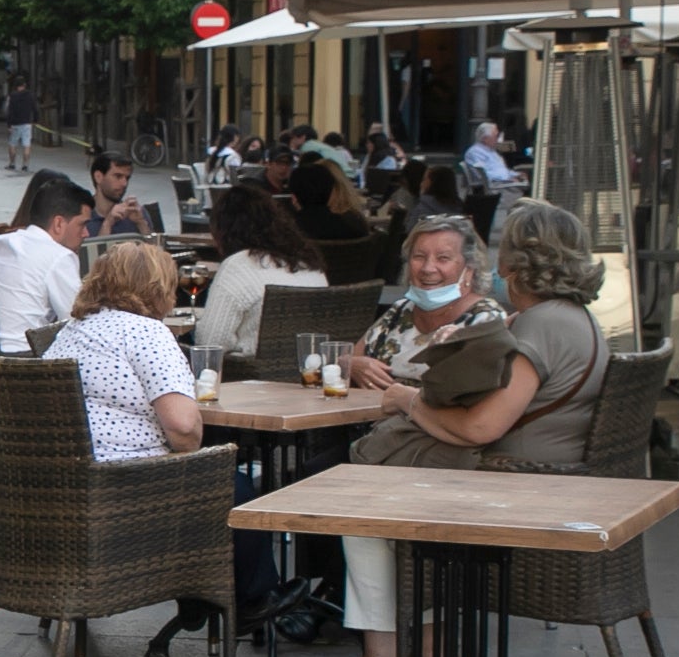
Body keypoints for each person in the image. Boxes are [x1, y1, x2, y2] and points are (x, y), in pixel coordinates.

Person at [308, 200, 612, 657]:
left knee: (356, 496)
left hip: (509, 482)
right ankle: (428, 654)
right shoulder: (574, 319)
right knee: (373, 479)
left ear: (512, 264)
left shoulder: (541, 326)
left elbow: (480, 427)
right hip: (546, 476)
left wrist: (407, 399)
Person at [41, 244, 201, 461]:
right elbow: (183, 428)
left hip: (60, 474)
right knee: (242, 485)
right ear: (160, 290)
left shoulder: (71, 330)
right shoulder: (146, 331)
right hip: (131, 477)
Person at [344, 213, 506, 388]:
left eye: (443, 258)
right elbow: (349, 358)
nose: (427, 268)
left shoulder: (486, 320)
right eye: (419, 256)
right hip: (372, 412)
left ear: (469, 269)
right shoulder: (401, 311)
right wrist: (351, 364)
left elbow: (481, 397)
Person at [194, 183, 328, 358]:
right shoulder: (309, 263)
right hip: (308, 370)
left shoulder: (239, 266)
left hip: (247, 376)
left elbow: (210, 342)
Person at [0, 172, 92, 353]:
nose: (86, 233)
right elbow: (80, 322)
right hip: (26, 363)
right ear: (59, 224)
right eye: (82, 224)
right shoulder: (59, 257)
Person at [85, 149, 154, 237]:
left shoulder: (137, 213)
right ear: (98, 177)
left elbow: (154, 250)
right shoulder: (81, 217)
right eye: (118, 176)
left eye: (127, 178)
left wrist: (141, 223)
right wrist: (108, 224)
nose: (124, 184)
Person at [1, 78, 39, 171]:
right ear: (24, 85)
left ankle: (12, 164)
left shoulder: (12, 96)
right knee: (26, 144)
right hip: (27, 123)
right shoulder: (31, 95)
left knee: (12, 144)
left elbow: (10, 111)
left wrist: (9, 124)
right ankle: (25, 165)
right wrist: (35, 120)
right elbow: (35, 109)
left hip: (15, 124)